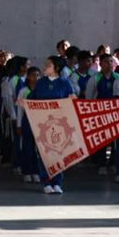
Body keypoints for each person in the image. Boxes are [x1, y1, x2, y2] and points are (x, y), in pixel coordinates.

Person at [29, 56, 75, 194]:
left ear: (57, 67)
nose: (45, 66)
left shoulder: (65, 83)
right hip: (42, 125)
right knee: (45, 153)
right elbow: (32, 99)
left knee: (59, 153)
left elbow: (72, 101)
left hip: (61, 125)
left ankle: (58, 182)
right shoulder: (40, 83)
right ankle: (46, 181)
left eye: (48, 65)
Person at [85, 54, 119, 177]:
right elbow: (89, 96)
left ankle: (113, 163)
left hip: (115, 113)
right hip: (99, 113)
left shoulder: (118, 78)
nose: (109, 64)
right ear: (101, 64)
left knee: (115, 139)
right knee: (102, 139)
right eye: (106, 61)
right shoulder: (94, 78)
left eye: (111, 61)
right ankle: (101, 164)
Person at [15, 66, 42, 184]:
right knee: (27, 147)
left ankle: (36, 171)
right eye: (33, 75)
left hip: (40, 122)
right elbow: (20, 110)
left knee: (39, 149)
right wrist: (19, 125)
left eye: (37, 75)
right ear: (28, 77)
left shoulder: (42, 89)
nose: (35, 77)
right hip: (27, 121)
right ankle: (27, 172)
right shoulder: (23, 91)